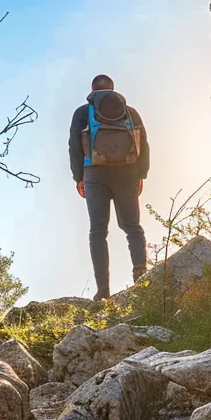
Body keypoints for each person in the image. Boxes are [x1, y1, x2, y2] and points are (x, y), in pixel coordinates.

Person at [68, 74, 151, 300]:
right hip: (127, 173)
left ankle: (103, 291)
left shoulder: (83, 112)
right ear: (113, 90)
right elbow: (143, 143)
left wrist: (79, 177)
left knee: (98, 231)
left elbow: (74, 145)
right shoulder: (130, 112)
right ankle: (141, 278)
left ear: (92, 90)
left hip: (94, 174)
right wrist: (140, 175)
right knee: (133, 227)